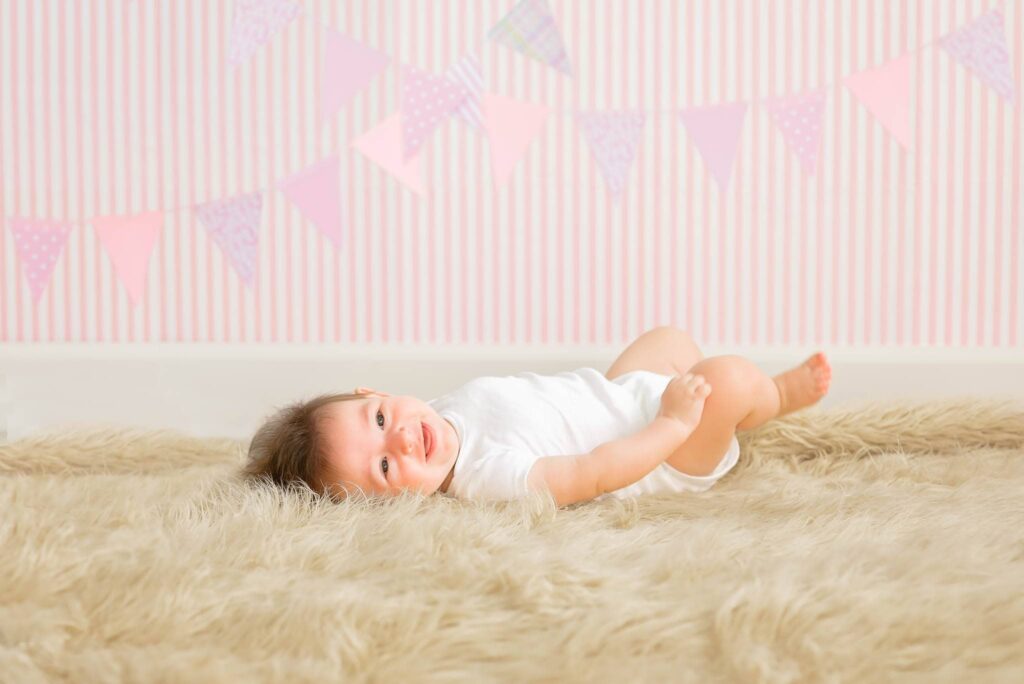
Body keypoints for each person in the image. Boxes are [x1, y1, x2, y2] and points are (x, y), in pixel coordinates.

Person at [242, 326, 832, 507]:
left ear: (372, 390)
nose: (401, 438)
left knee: (667, 338)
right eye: (388, 467)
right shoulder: (486, 478)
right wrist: (675, 425)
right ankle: (774, 396)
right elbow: (594, 473)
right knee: (727, 380)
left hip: (622, 394)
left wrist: (642, 392)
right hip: (660, 453)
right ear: (403, 503)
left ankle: (708, 396)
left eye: (376, 421)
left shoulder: (439, 415)